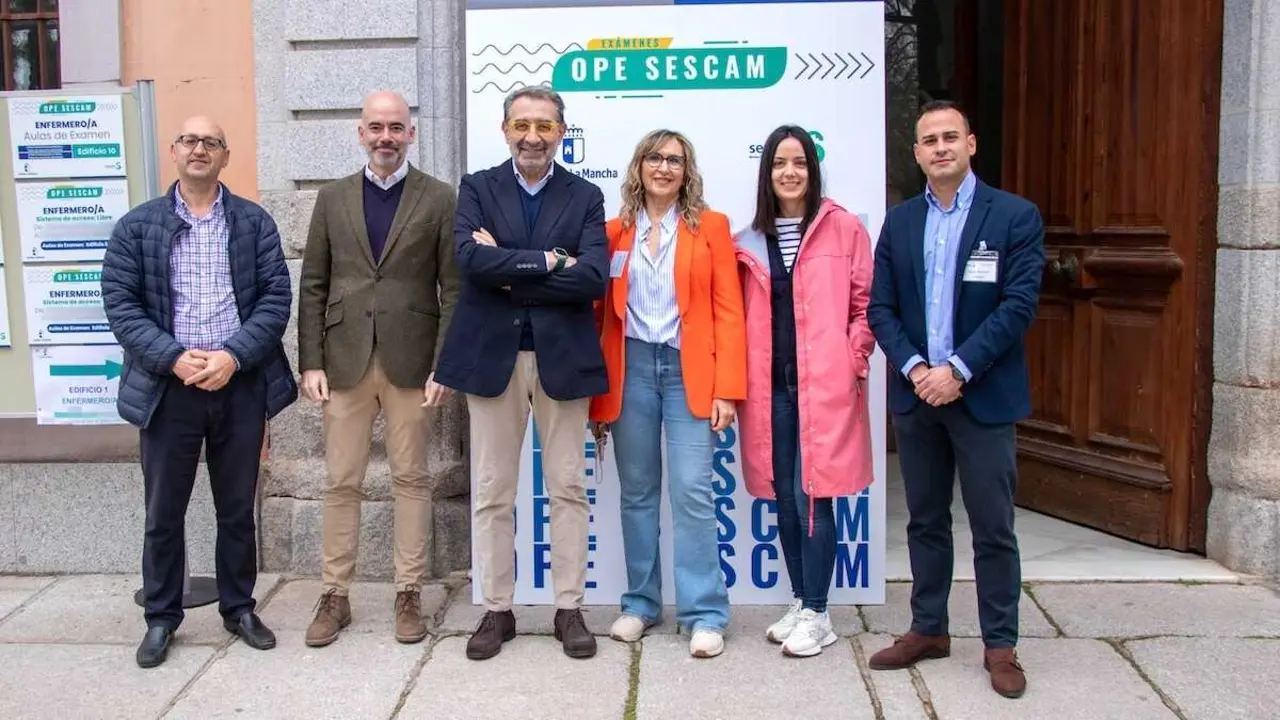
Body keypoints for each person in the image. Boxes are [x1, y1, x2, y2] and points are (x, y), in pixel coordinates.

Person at [101, 116, 298, 669]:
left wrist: (231, 356)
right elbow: (121, 304)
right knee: (164, 511)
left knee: (237, 509)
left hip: (237, 385)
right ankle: (161, 617)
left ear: (225, 156)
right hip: (169, 389)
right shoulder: (137, 227)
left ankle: (238, 608)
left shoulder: (253, 224)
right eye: (190, 140)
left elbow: (274, 301)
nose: (199, 149)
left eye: (211, 141)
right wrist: (173, 357)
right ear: (174, 152)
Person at [866, 99, 1044, 699]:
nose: (940, 148)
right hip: (918, 396)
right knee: (924, 520)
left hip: (982, 396)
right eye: (928, 140)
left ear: (971, 144)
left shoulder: (1015, 217)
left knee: (993, 527)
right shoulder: (901, 222)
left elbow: (1017, 307)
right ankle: (929, 629)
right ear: (916, 154)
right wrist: (918, 368)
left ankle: (1000, 645)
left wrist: (958, 369)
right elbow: (881, 308)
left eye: (950, 137)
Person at [432, 86, 608, 660]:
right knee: (491, 491)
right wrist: (553, 261)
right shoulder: (477, 188)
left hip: (563, 358)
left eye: (545, 126)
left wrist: (510, 264)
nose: (533, 136)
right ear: (505, 129)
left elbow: (592, 280)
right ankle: (497, 610)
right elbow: (471, 262)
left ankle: (569, 608)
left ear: (562, 132)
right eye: (522, 125)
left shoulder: (585, 196)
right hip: (493, 359)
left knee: (568, 489)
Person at [296, 90, 461, 648]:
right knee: (342, 480)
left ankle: (408, 593)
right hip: (343, 361)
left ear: (411, 134)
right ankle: (335, 594)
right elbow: (314, 283)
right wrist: (310, 360)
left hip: (412, 362)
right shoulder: (332, 197)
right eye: (376, 127)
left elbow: (453, 288)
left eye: (396, 127)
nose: (386, 137)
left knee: (411, 478)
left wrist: (445, 363)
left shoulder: (439, 198)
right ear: (359, 132)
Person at [589, 130, 746, 658]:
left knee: (692, 492)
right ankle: (640, 603)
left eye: (674, 160)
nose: (663, 167)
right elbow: (597, 318)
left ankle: (704, 612)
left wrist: (729, 389)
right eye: (654, 158)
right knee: (636, 493)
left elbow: (729, 311)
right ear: (638, 167)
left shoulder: (712, 228)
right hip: (630, 367)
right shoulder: (613, 233)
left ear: (687, 170)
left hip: (688, 371)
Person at [734, 125, 876, 658]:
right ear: (766, 173)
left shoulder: (841, 229)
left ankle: (819, 612)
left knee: (815, 495)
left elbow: (866, 305)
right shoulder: (749, 240)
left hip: (824, 389)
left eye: (799, 162)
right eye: (778, 163)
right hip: (771, 391)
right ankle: (800, 599)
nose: (789, 172)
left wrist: (852, 357)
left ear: (813, 170)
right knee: (785, 500)